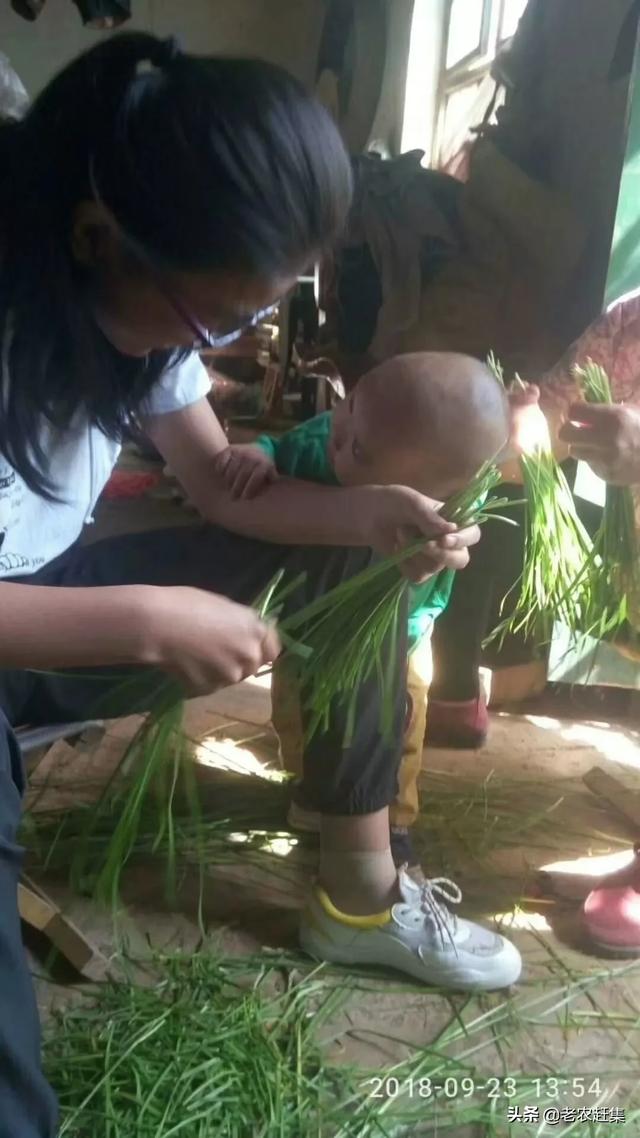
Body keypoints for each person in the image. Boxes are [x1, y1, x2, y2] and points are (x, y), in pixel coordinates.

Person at [0, 33, 521, 1138]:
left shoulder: (140, 319)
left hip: (42, 597)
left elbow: (224, 491)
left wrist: (370, 519)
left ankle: (360, 892)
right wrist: (137, 620)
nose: (225, 342)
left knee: (348, 547)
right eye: (217, 319)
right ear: (102, 239)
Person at [217, 351, 511, 871]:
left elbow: (456, 546)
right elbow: (281, 446)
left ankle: (389, 820)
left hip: (401, 635)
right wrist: (260, 454)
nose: (337, 431)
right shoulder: (324, 438)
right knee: (296, 708)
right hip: (309, 620)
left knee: (395, 724)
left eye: (358, 448)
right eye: (350, 404)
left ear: (430, 492)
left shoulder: (440, 513)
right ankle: (312, 792)